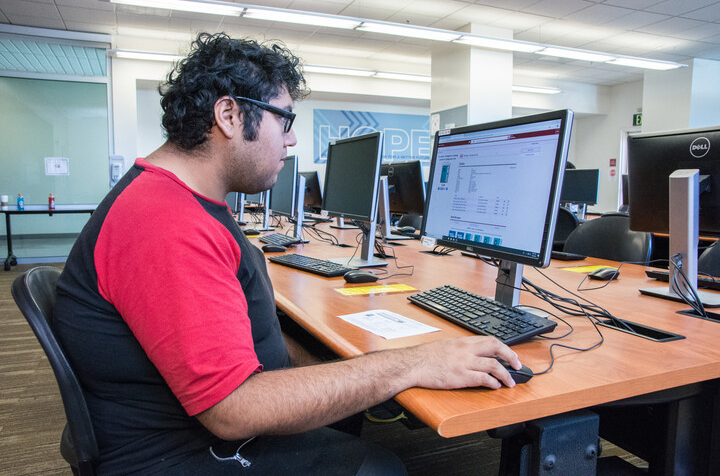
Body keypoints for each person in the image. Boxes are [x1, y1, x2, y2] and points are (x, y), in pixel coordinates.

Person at [53, 32, 522, 475]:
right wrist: (412, 363)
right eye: (285, 119)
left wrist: (353, 371)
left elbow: (256, 335)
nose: (292, 139)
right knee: (383, 467)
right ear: (230, 116)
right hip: (176, 454)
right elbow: (234, 410)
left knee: (353, 396)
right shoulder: (164, 219)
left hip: (179, 429)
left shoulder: (179, 200)